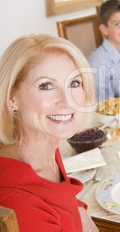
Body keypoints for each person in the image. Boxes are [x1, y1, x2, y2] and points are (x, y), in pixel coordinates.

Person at [0, 34, 98, 231]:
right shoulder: (21, 207)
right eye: (46, 86)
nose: (68, 100)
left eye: (74, 83)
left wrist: (78, 207)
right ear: (12, 98)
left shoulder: (46, 144)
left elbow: (55, 194)